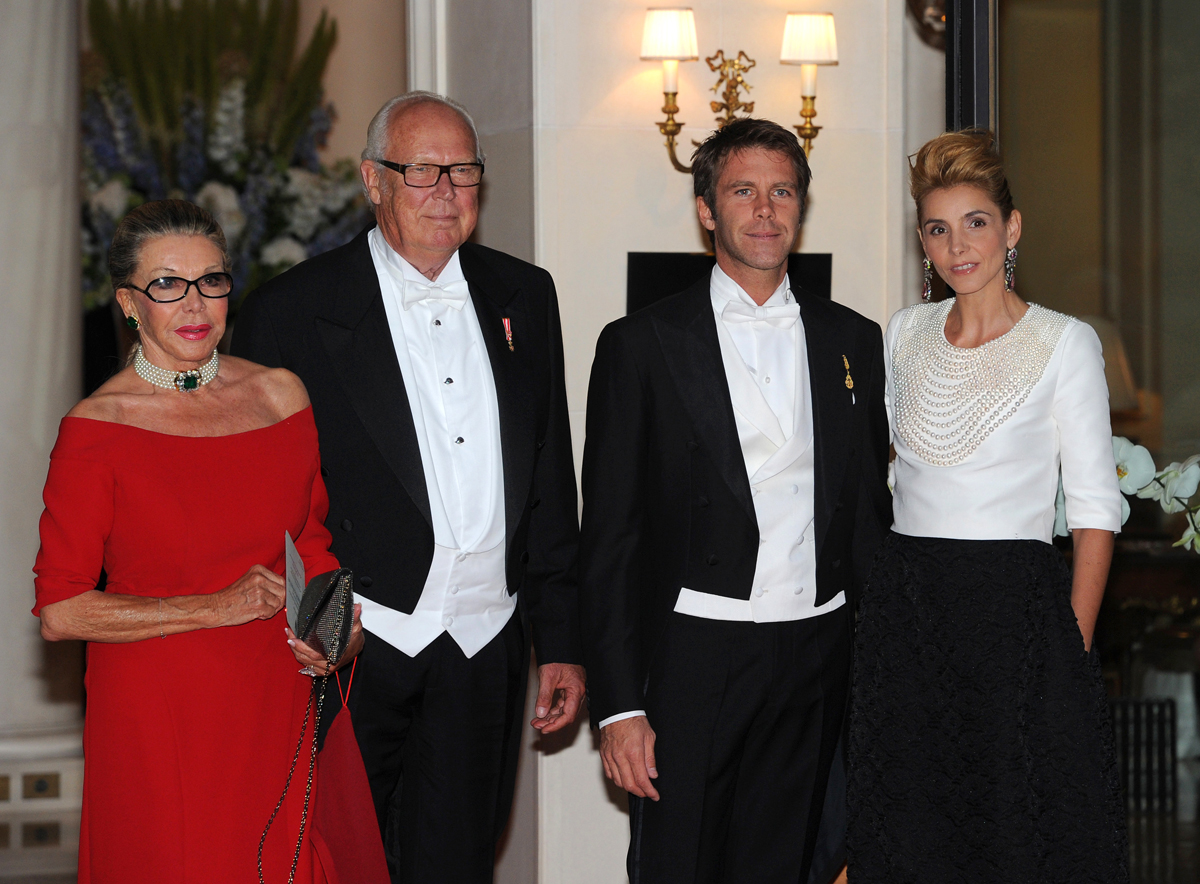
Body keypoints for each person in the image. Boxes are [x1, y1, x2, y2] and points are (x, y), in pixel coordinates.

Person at [232, 91, 585, 884]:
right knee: (338, 860)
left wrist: (561, 639)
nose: (446, 190)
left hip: (486, 641)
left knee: (460, 861)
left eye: (463, 170)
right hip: (361, 643)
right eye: (420, 170)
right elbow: (266, 507)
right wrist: (316, 628)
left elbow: (549, 477)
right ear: (372, 180)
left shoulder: (526, 295)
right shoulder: (292, 311)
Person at [578, 118, 892, 884]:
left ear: (800, 207)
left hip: (817, 653)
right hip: (694, 655)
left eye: (782, 191)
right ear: (707, 210)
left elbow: (870, 524)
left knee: (790, 865)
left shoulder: (855, 339)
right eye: (742, 191)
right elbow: (610, 540)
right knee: (678, 866)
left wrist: (882, 679)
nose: (764, 210)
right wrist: (619, 708)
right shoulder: (639, 344)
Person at [33, 200, 366, 883]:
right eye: (166, 284)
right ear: (130, 303)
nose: (194, 304)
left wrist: (338, 632)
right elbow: (62, 611)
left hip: (274, 696)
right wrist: (214, 607)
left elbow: (312, 544)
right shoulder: (98, 428)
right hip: (159, 714)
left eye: (211, 281)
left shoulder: (280, 396)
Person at [846, 130, 1129, 883]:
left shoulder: (1066, 343)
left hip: (1018, 619)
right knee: (912, 832)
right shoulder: (903, 334)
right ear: (923, 241)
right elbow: (883, 479)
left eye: (975, 221)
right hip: (907, 618)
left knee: (1014, 838)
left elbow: (1097, 512)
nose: (957, 245)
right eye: (938, 228)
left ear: (1012, 228)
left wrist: (1068, 655)